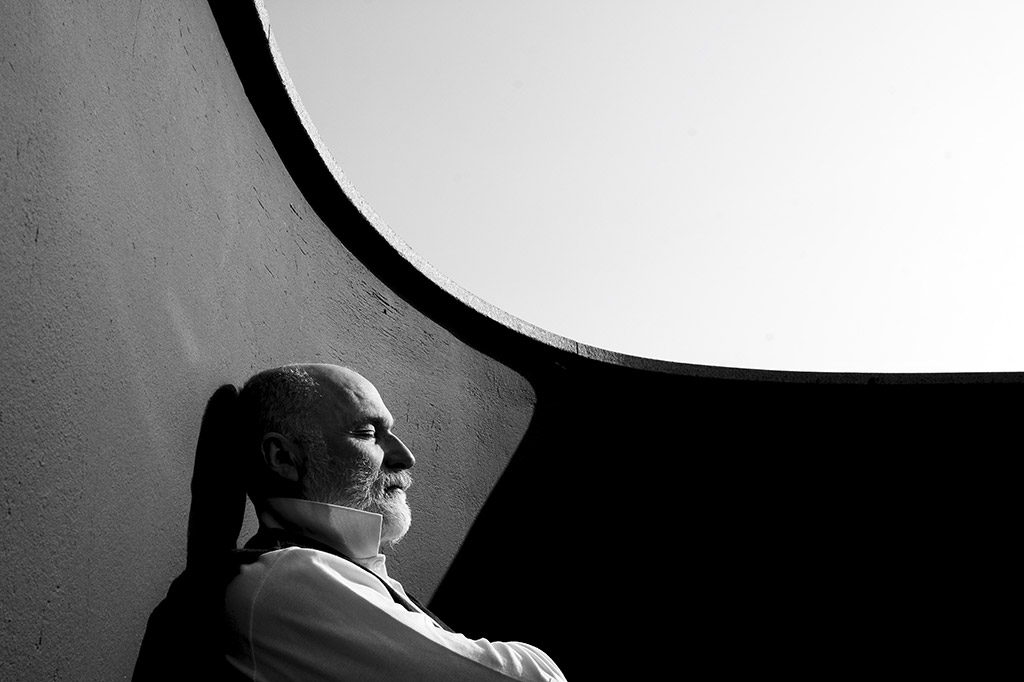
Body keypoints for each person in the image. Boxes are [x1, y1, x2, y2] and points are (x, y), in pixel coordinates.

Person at [224, 363, 567, 681]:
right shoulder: (292, 574)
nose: (405, 457)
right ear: (283, 457)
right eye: (367, 433)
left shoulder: (327, 568)